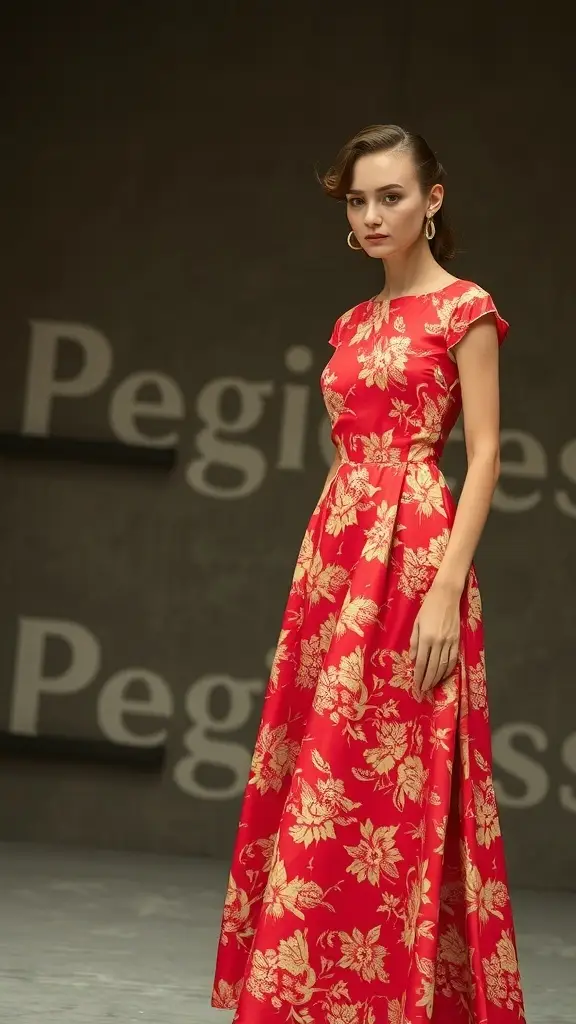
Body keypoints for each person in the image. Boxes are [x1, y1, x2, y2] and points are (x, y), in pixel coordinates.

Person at [211, 124, 525, 1024]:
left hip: (416, 552)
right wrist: (324, 565)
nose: (373, 215)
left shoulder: (466, 308)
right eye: (358, 199)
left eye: (392, 196)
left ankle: (404, 1001)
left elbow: (487, 454)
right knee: (324, 772)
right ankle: (310, 996)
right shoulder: (351, 323)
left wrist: (445, 590)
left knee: (400, 779)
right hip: (336, 550)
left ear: (432, 199)